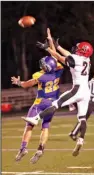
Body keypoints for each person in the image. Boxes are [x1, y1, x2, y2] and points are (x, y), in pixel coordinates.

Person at [23, 30, 94, 157]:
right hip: (86, 92)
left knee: (56, 103)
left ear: (82, 50)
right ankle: (81, 139)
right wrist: (58, 46)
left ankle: (36, 118)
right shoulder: (86, 60)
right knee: (82, 117)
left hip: (77, 90)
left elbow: (60, 58)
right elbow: (69, 55)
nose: (76, 49)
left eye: (79, 48)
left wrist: (48, 48)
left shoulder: (76, 59)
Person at [11, 29, 63, 163]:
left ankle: (23, 148)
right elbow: (56, 56)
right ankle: (41, 149)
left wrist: (18, 82)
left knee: (29, 125)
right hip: (52, 103)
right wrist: (50, 41)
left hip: (40, 103)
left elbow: (27, 85)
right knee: (45, 126)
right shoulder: (58, 71)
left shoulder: (40, 76)